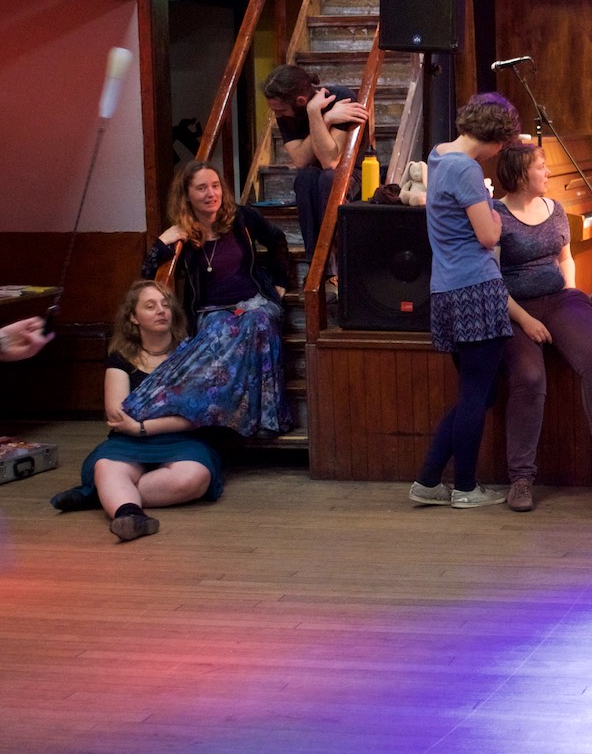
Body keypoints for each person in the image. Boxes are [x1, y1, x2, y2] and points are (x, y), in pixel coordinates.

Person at [495, 141, 592, 513]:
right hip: (515, 309)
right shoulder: (495, 215)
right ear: (520, 176)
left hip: (558, 299)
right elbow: (491, 279)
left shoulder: (555, 209)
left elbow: (566, 258)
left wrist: (570, 292)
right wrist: (526, 320)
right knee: (529, 377)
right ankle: (521, 477)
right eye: (540, 167)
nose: (548, 172)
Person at [408, 93, 520, 510]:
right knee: (476, 394)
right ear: (496, 140)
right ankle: (466, 488)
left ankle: (428, 481)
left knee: (478, 393)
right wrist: (496, 215)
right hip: (476, 288)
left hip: (445, 290)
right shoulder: (467, 168)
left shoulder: (438, 156)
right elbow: (489, 236)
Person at [127, 160, 291, 437]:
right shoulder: (182, 234)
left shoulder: (242, 218)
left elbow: (277, 239)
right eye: (201, 188)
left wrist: (280, 283)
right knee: (220, 328)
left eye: (215, 186)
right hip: (211, 311)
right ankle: (173, 407)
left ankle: (262, 420)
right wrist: (162, 242)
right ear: (187, 195)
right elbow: (148, 275)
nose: (211, 194)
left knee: (259, 321)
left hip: (254, 302)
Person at [50, 281, 223, 542]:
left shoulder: (191, 356)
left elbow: (196, 416)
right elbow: (116, 413)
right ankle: (131, 516)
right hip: (128, 440)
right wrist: (143, 425)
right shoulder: (122, 357)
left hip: (182, 440)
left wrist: (141, 426)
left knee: (194, 477)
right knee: (108, 468)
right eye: (150, 306)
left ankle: (104, 495)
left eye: (166, 305)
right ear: (133, 317)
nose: (161, 311)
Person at [261, 63, 371, 265]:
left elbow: (331, 161)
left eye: (281, 110)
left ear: (300, 101)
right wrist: (324, 119)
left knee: (328, 178)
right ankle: (316, 264)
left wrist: (314, 113)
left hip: (354, 174)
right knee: (306, 177)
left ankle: (334, 265)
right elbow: (301, 160)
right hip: (318, 181)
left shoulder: (341, 98)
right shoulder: (287, 115)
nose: (277, 115)